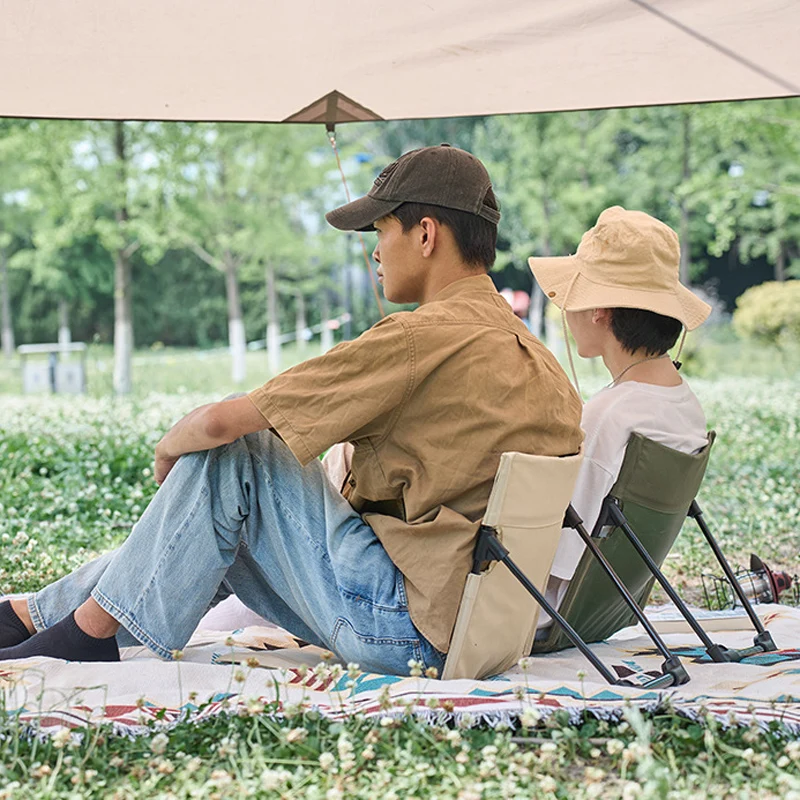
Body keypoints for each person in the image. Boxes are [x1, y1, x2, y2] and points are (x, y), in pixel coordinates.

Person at [0, 145, 583, 675]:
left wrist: (169, 448)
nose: (374, 252)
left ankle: (89, 634)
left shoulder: (418, 339)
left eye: (381, 230)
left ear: (425, 234)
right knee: (220, 506)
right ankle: (36, 615)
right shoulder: (539, 359)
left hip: (403, 627)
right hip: (484, 628)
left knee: (240, 451)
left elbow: (222, 424)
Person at [527, 206, 711, 628]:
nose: (565, 311)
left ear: (599, 310)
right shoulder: (686, 408)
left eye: (572, 296)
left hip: (549, 615)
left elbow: (560, 559)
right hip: (611, 609)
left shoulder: (609, 417)